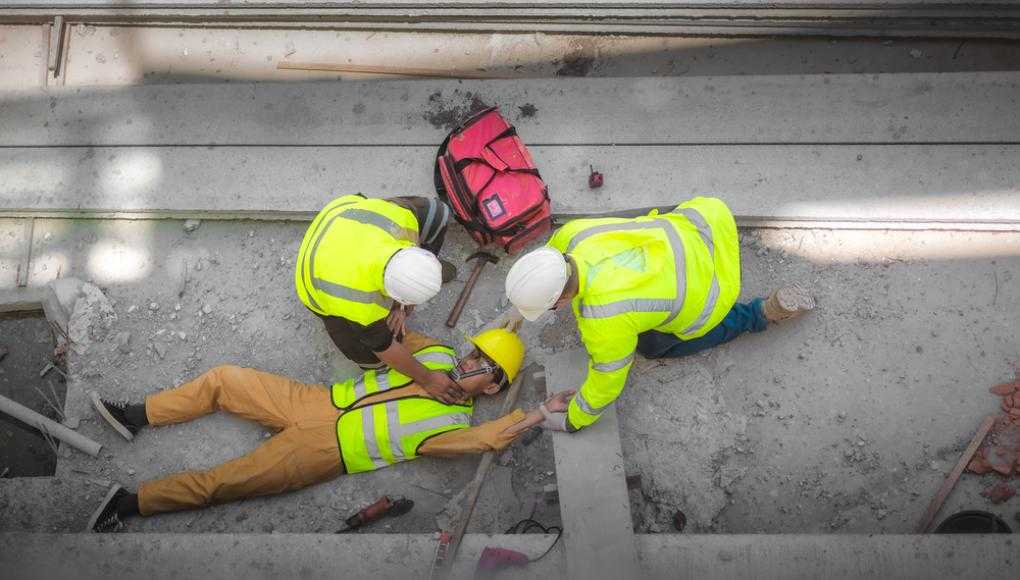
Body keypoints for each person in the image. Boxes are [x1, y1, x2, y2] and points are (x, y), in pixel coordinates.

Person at [85, 329, 574, 533]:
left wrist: (536, 413)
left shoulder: (452, 424)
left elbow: (486, 440)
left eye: (485, 367)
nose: (470, 363)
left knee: (223, 481)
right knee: (224, 380)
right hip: (318, 400)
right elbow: (393, 336)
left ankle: (128, 504)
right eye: (475, 353)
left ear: (491, 390)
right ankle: (134, 415)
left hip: (322, 452)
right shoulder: (439, 354)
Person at [504, 196, 814, 432]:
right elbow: (544, 266)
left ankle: (759, 314)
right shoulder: (572, 235)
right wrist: (521, 307)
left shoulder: (603, 319)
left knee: (651, 346)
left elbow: (608, 379)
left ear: (559, 299)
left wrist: (574, 418)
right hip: (708, 224)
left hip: (715, 287)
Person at [295, 194, 465, 403]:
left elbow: (435, 213)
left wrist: (402, 306)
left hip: (343, 216)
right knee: (372, 359)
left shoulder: (403, 219)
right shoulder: (357, 303)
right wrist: (427, 379)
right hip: (315, 278)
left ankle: (421, 277)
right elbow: (383, 346)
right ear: (389, 293)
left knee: (436, 213)